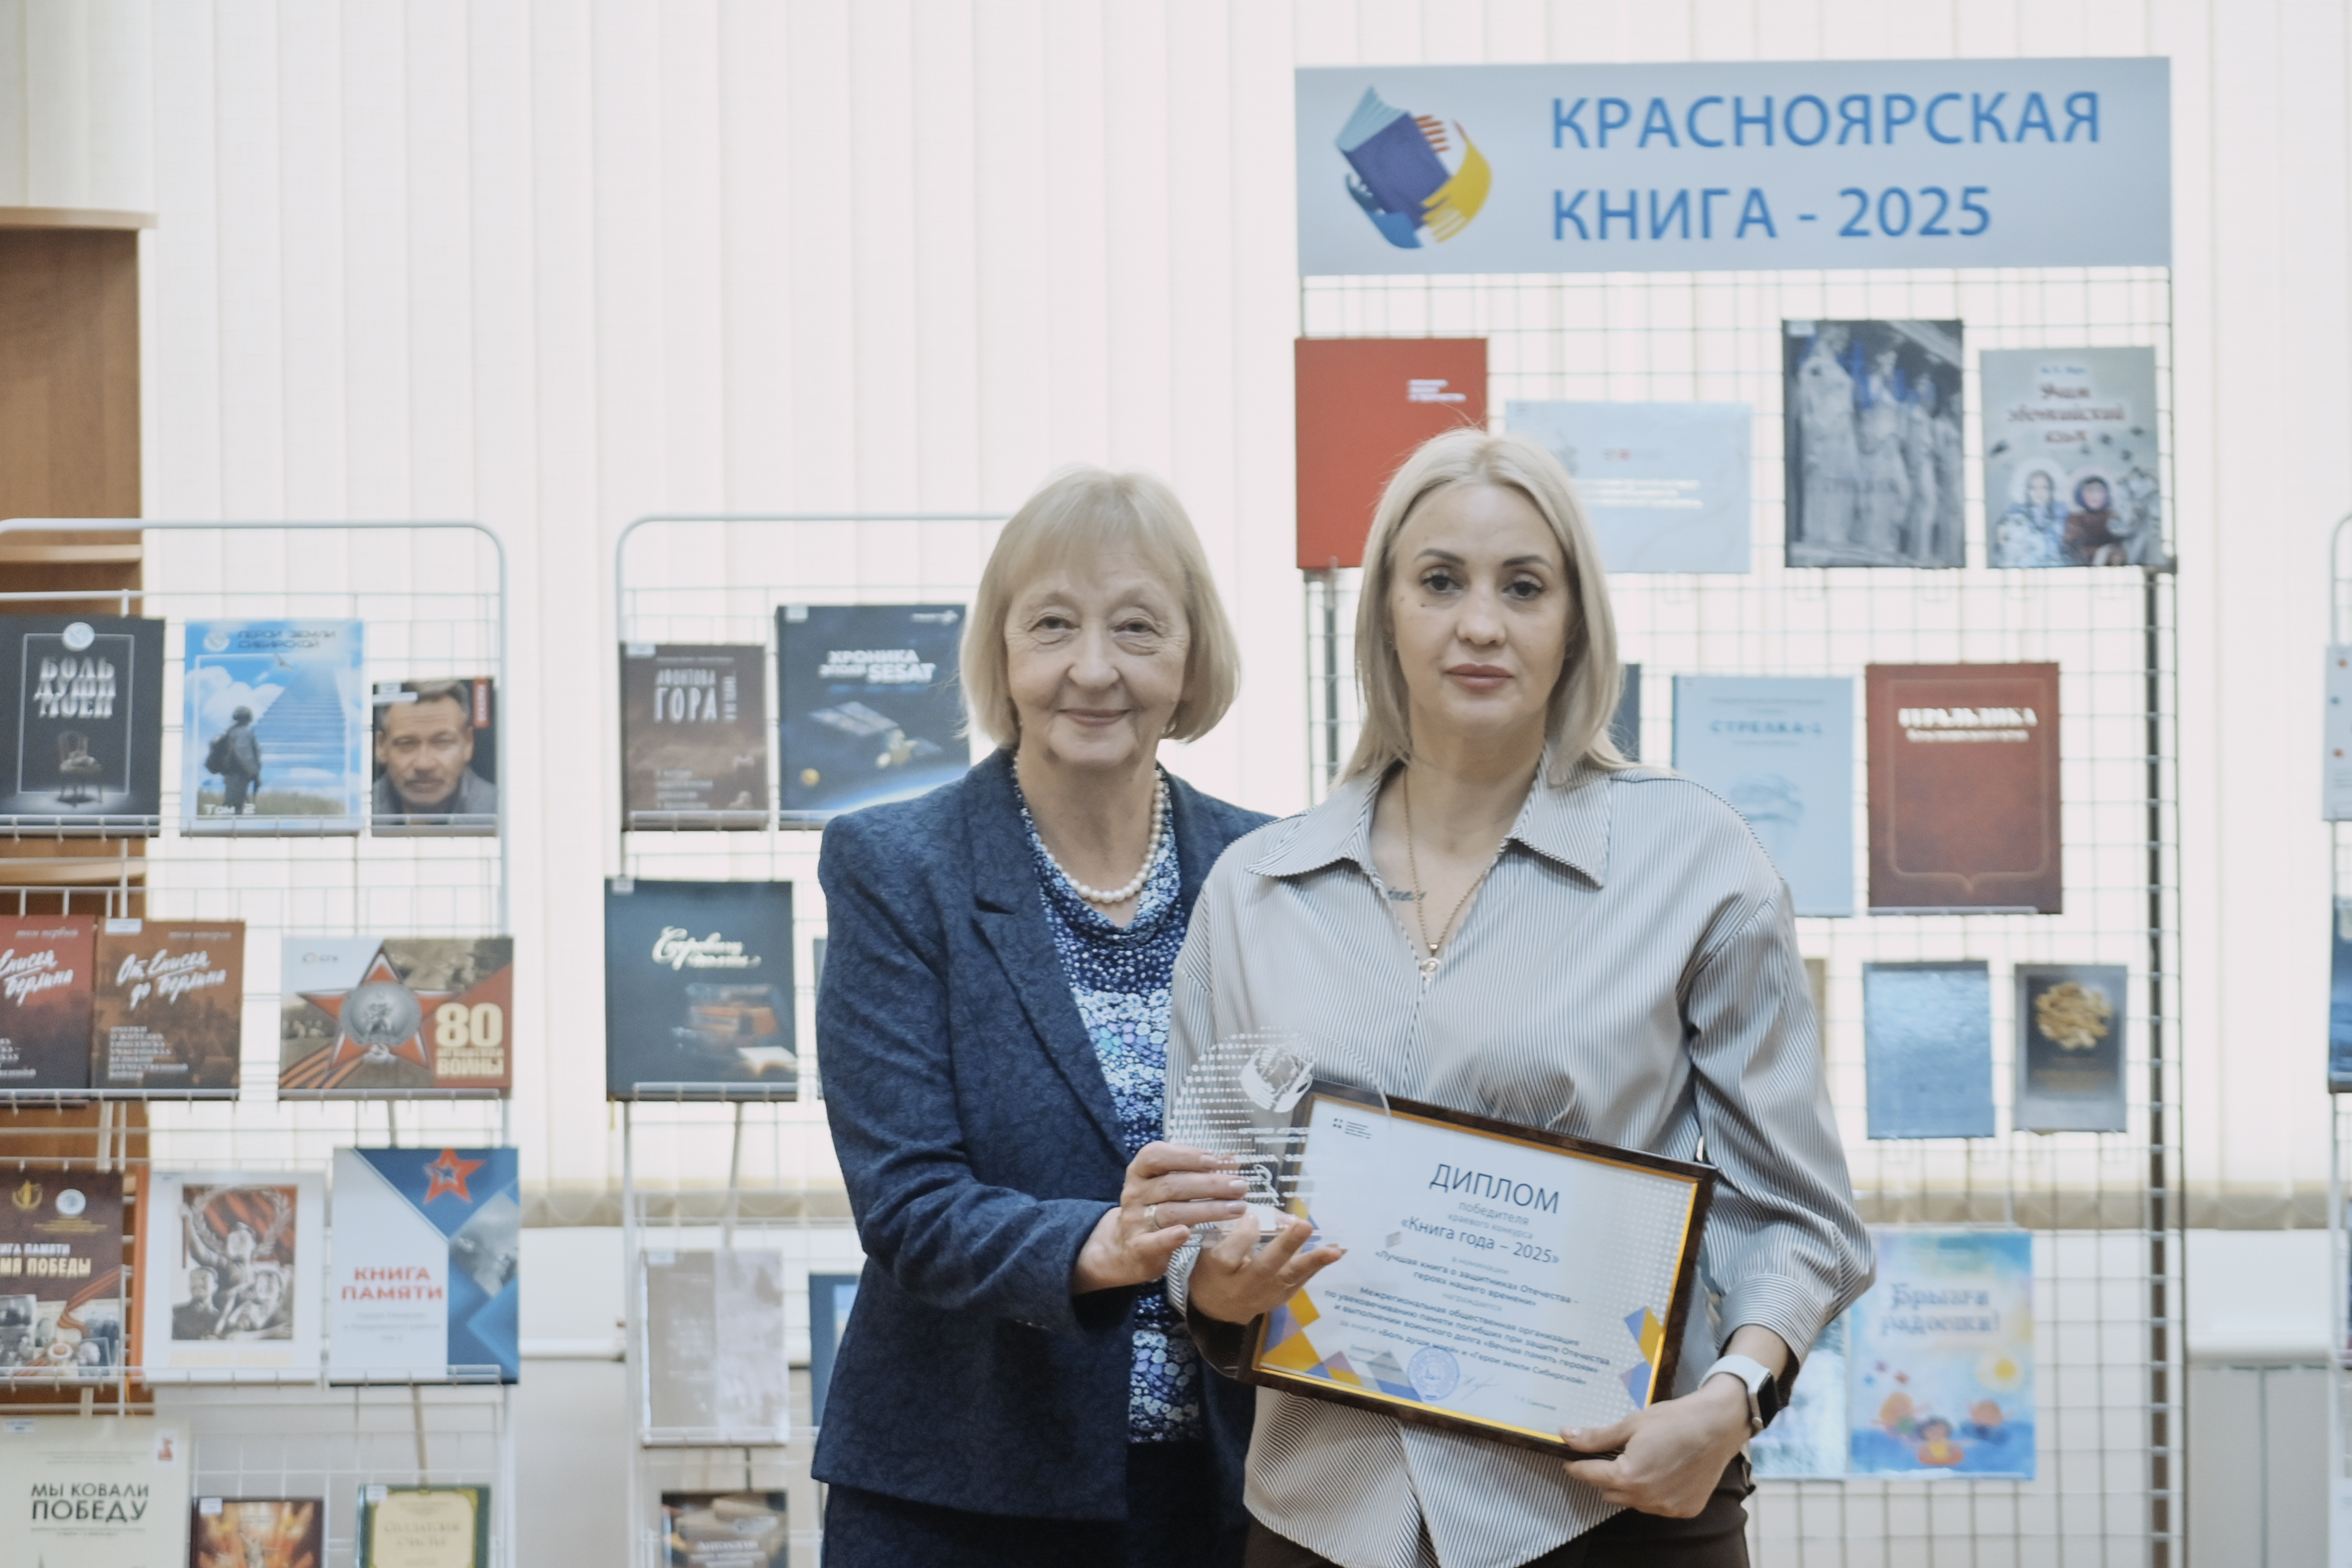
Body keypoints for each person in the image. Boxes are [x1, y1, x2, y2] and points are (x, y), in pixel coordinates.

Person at [1167, 429, 1872, 1568]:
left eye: (1524, 586)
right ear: (1385, 613)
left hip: (1607, 1510)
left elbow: (1798, 1211)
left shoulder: (1694, 858)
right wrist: (1213, 1273)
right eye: (1440, 580)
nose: (1481, 623)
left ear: (1576, 623)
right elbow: (1205, 1204)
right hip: (1321, 1515)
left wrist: (1732, 1397)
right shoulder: (1254, 889)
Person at [815, 466, 1270, 1567]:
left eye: (1137, 626)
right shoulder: (896, 867)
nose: (1094, 667)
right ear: (1003, 651)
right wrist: (1097, 1243)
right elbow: (908, 1200)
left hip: (1222, 1495)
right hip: (960, 1499)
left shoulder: (1268, 869)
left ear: (1192, 654)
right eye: (1054, 623)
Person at [374, 681, 498, 820]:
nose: (424, 765)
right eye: (407, 744)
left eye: (442, 742)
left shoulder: (505, 809)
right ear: (381, 747)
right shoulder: (362, 806)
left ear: (468, 744)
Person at [1790, 324, 1859, 553]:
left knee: (1843, 481)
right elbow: (1808, 402)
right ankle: (1821, 533)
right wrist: (1815, 434)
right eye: (1841, 337)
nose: (1843, 343)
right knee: (1824, 481)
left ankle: (1837, 532)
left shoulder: (1835, 366)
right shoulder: (1815, 366)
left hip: (1843, 430)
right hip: (1825, 430)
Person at [1993, 467, 2068, 568]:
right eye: (2033, 488)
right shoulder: (2015, 514)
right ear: (2027, 491)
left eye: (2044, 488)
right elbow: (2003, 542)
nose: (2039, 493)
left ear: (2051, 490)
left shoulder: (2062, 514)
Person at [206, 705, 262, 814]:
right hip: (239, 773)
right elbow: (245, 755)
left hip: (231, 773)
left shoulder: (230, 731)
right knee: (235, 804)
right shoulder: (243, 732)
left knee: (233, 801)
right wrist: (254, 772)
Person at [2062, 475, 2125, 565]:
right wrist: (2100, 553)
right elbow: (2072, 547)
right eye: (2090, 491)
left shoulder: (2113, 517)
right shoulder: (2074, 519)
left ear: (2107, 494)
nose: (2094, 496)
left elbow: (2121, 546)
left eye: (2099, 491)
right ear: (2080, 493)